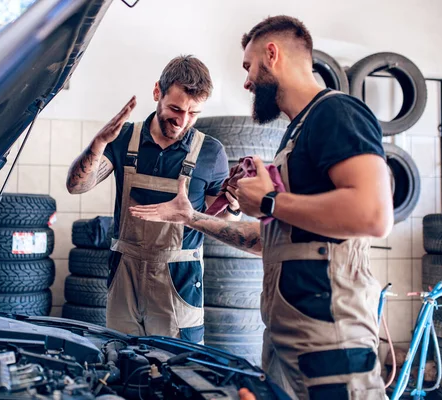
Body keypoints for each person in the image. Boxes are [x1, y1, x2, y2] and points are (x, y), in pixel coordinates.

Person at [129, 16, 394, 400]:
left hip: (331, 341)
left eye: (249, 66)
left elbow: (374, 214)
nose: (247, 81)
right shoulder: (296, 132)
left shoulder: (337, 113)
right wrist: (192, 217)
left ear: (272, 54)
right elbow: (270, 239)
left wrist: (269, 200)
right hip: (288, 338)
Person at [66, 55, 241, 344]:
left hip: (178, 281)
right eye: (175, 108)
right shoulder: (124, 138)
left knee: (175, 372)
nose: (182, 121)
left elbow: (219, 224)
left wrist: (233, 207)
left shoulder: (210, 152)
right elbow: (77, 186)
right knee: (119, 363)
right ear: (157, 92)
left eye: (193, 113)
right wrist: (99, 143)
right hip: (125, 276)